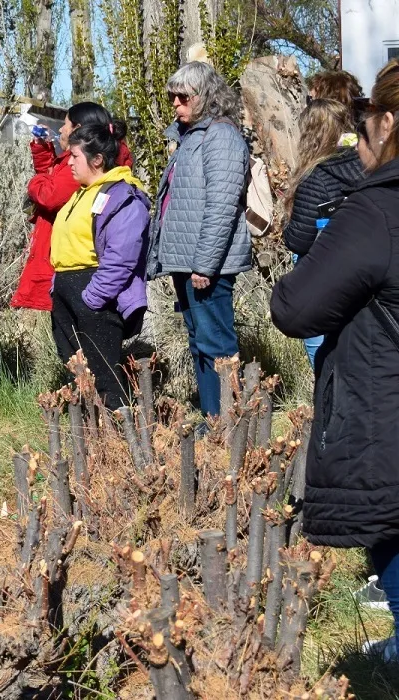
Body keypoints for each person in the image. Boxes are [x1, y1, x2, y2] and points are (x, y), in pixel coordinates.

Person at [271, 59, 399, 661]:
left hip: (385, 409)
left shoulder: (375, 212)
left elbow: (296, 307)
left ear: (388, 122)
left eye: (367, 115)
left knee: (393, 533)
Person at [147, 62, 250, 419]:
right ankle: (213, 419)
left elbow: (222, 205)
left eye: (183, 97)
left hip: (207, 266)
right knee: (200, 342)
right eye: (172, 97)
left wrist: (204, 265)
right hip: (187, 261)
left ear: (205, 96)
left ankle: (228, 425)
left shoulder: (221, 137)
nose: (175, 103)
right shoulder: (191, 135)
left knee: (216, 344)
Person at [49, 121, 150, 409]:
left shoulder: (122, 195)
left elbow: (122, 255)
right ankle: (90, 432)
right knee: (79, 373)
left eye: (75, 156)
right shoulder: (82, 193)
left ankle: (118, 431)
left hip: (95, 294)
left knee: (105, 375)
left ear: (97, 160)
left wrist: (93, 297)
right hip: (68, 291)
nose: (69, 162)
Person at [13, 102, 133, 311]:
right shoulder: (82, 161)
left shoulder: (84, 164)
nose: (61, 129)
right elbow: (54, 180)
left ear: (78, 129)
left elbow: (50, 195)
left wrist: (34, 182)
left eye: (65, 124)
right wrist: (43, 152)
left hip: (71, 268)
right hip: (67, 265)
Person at [281, 99, 364, 367]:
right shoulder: (370, 166)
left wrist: (286, 226)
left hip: (323, 279)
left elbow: (299, 240)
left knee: (323, 358)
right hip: (365, 276)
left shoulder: (315, 177)